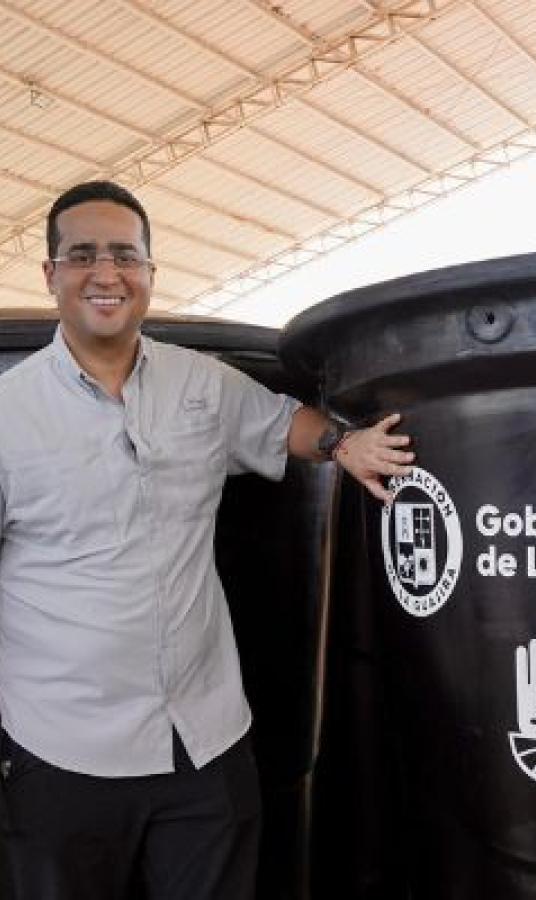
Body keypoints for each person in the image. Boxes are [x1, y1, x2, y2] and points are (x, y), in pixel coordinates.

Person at [0, 180, 412, 900]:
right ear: (51, 275)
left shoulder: (202, 384)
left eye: (126, 255)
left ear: (151, 275)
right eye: (83, 255)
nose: (107, 273)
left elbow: (286, 425)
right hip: (64, 755)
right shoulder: (10, 413)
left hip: (205, 746)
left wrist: (344, 444)